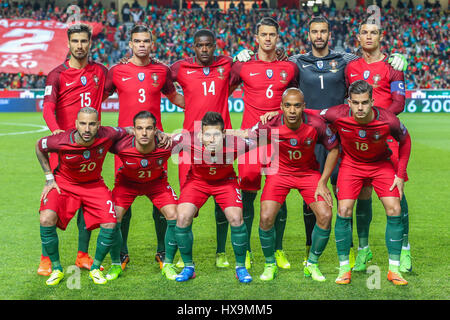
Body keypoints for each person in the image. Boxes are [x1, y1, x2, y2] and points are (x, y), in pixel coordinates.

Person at [104, 24, 184, 270]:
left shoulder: (162, 70)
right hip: (125, 145)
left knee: (159, 198)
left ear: (152, 44)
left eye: (145, 41)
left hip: (157, 143)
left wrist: (203, 104)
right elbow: (97, 99)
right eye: (137, 41)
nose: (141, 45)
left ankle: (162, 251)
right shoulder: (116, 71)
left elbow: (176, 98)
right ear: (130, 44)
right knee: (122, 202)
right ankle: (122, 253)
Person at [320, 80, 411, 286]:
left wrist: (400, 173)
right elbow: (311, 113)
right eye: (355, 103)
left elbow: (405, 141)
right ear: (349, 102)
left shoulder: (388, 120)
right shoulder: (337, 114)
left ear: (372, 101)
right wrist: (274, 113)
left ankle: (394, 270)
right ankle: (344, 269)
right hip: (351, 166)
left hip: (381, 165)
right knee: (343, 210)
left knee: (394, 208)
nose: (360, 108)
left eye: (364, 103)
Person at [247, 88, 339, 282]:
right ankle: (270, 263)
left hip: (308, 174)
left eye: (297, 106)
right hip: (279, 173)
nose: (292, 110)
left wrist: (322, 182)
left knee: (326, 215)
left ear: (304, 107)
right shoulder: (270, 123)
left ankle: (312, 263)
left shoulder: (316, 124)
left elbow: (333, 149)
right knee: (265, 217)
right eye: (287, 105)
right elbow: (248, 137)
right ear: (281, 107)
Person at [229, 17, 299, 270]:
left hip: (279, 142)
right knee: (247, 195)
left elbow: (299, 100)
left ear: (277, 38)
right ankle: (245, 251)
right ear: (256, 38)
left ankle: (277, 249)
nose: (268, 39)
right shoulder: (243, 66)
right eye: (263, 35)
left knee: (278, 197)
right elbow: (219, 90)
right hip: (251, 141)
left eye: (272, 35)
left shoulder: (289, 68)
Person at [39, 23, 108, 276]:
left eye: (84, 41)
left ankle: (82, 254)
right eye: (75, 41)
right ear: (68, 44)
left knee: (85, 201)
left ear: (91, 43)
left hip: (90, 147)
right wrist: (56, 130)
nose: (80, 45)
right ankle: (46, 258)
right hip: (64, 148)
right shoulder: (56, 75)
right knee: (53, 200)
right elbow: (48, 107)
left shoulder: (101, 71)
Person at [345, 19, 411, 273]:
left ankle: (404, 249)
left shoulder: (393, 66)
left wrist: (377, 119)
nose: (369, 36)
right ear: (358, 37)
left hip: (387, 139)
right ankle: (363, 249)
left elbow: (400, 101)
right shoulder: (350, 67)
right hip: (358, 142)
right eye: (364, 32)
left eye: (374, 32)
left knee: (397, 194)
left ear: (381, 36)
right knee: (362, 194)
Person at [36, 107, 129, 286]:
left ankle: (95, 267)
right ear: (76, 124)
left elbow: (129, 131)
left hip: (94, 185)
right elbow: (39, 146)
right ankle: (56, 268)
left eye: (92, 124)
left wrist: (159, 135)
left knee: (111, 222)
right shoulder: (61, 140)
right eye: (83, 124)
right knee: (46, 218)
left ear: (98, 125)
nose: (87, 129)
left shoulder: (108, 134)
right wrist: (49, 178)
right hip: (64, 184)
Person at [170, 29, 234, 268]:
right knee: (187, 203)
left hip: (221, 143)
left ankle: (221, 252)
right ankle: (183, 255)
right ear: (193, 47)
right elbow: (164, 81)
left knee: (223, 200)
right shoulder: (180, 68)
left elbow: (240, 77)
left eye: (208, 45)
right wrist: (183, 101)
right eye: (200, 45)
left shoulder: (227, 65)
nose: (204, 49)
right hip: (190, 145)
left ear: (214, 46)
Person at [170, 112, 253, 283]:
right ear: (201, 134)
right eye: (207, 134)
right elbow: (163, 138)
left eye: (216, 134)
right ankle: (188, 267)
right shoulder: (188, 140)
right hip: (197, 181)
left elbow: (261, 138)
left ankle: (240, 267)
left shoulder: (236, 144)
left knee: (236, 219)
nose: (212, 139)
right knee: (183, 217)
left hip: (225, 182)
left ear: (224, 134)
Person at [106, 111, 179, 281]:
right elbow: (101, 138)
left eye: (148, 128)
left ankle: (167, 262)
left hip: (157, 184)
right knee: (112, 218)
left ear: (156, 130)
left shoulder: (166, 144)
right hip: (127, 184)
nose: (144, 133)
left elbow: (191, 138)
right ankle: (117, 263)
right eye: (139, 128)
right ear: (134, 130)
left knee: (175, 216)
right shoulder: (121, 145)